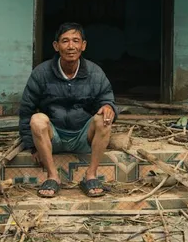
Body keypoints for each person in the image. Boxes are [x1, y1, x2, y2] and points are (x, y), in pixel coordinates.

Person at [19, 22, 116, 198]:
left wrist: (109, 107)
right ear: (56, 46)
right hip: (53, 137)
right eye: (65, 41)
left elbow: (106, 98)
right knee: (37, 119)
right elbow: (26, 110)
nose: (71, 46)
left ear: (83, 45)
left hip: (83, 137)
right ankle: (52, 177)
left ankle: (90, 176)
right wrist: (32, 146)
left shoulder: (95, 73)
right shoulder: (41, 73)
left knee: (104, 118)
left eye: (76, 41)